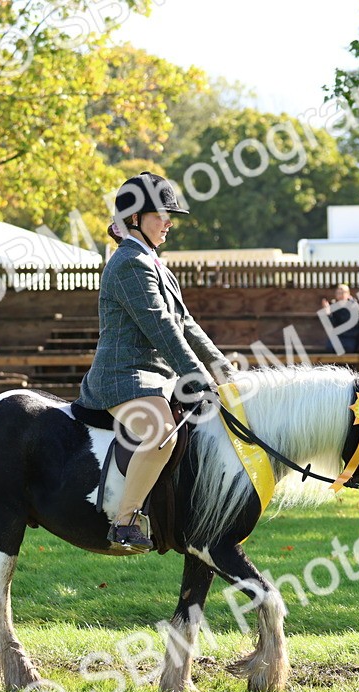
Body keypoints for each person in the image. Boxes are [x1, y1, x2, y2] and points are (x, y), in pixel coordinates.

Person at [78, 172, 234, 551]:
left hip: (155, 378)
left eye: (170, 216)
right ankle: (125, 521)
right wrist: (197, 379)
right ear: (134, 218)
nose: (169, 223)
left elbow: (185, 323)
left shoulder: (154, 263)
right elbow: (160, 328)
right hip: (123, 377)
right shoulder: (129, 263)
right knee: (162, 431)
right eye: (162, 214)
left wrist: (224, 371)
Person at [320, 283, 359, 354]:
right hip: (338, 336)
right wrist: (328, 313)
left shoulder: (354, 306)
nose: (341, 295)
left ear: (348, 294)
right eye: (338, 293)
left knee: (348, 348)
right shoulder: (334, 306)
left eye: (343, 293)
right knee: (330, 348)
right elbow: (332, 325)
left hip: (351, 336)